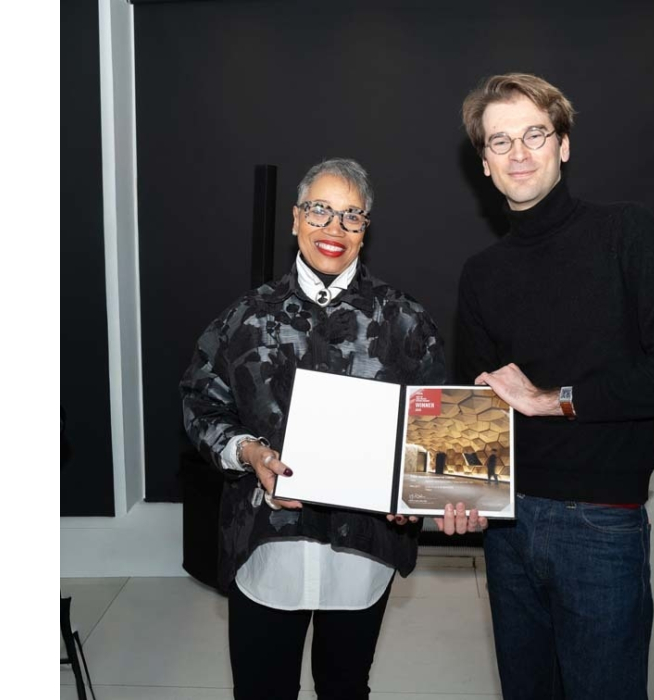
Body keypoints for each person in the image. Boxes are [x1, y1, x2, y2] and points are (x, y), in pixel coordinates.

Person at [179, 158, 483, 700]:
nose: (334, 229)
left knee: (345, 688)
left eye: (351, 216)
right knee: (261, 690)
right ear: (295, 219)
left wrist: (417, 492)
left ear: (367, 230)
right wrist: (248, 451)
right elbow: (202, 404)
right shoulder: (247, 316)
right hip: (267, 547)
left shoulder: (403, 320)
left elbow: (436, 437)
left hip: (362, 555)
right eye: (320, 210)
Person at [456, 74, 654, 699]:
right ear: (485, 165)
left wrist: (553, 400)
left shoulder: (627, 233)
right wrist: (455, 493)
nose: (518, 153)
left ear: (563, 144)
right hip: (508, 529)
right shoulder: (481, 274)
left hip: (600, 525)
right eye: (499, 141)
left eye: (535, 134)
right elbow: (475, 408)